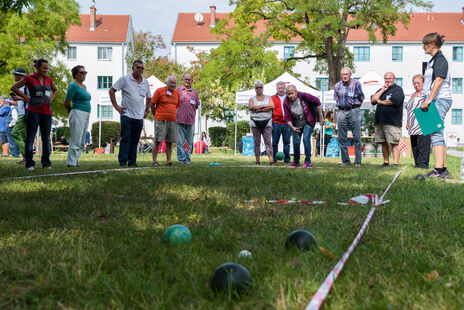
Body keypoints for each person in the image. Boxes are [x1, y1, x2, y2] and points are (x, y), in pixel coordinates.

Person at [11, 59, 58, 171]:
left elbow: (55, 90)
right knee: (30, 138)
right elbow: (14, 88)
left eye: (47, 68)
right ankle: (30, 163)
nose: (45, 70)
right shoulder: (29, 78)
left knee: (46, 138)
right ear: (37, 67)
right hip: (33, 111)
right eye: (43, 68)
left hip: (46, 112)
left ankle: (46, 162)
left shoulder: (48, 79)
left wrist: (50, 99)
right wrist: (26, 98)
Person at [421, 32, 453, 178]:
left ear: (432, 45)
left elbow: (439, 80)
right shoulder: (432, 61)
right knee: (434, 132)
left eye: (425, 44)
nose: (423, 47)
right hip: (434, 100)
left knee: (436, 133)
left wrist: (429, 100)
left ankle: (438, 170)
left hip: (439, 99)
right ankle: (443, 169)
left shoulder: (440, 59)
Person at [109, 60, 151, 167]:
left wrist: (147, 110)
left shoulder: (145, 82)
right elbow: (111, 91)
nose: (140, 70)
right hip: (126, 115)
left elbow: (149, 97)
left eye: (142, 68)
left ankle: (132, 161)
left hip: (139, 116)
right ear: (132, 68)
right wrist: (116, 107)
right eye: (138, 67)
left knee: (135, 140)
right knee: (125, 139)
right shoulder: (125, 79)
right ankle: (122, 161)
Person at [283, 84, 323, 167]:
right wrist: (292, 127)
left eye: (292, 93)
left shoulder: (303, 96)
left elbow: (317, 101)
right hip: (296, 123)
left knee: (305, 139)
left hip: (309, 120)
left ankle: (308, 161)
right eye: (289, 94)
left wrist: (320, 116)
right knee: (296, 142)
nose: (291, 96)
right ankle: (296, 161)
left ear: (296, 92)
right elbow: (287, 117)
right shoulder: (286, 102)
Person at [371, 72, 405, 168]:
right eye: (386, 78)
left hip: (392, 122)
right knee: (383, 142)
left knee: (394, 143)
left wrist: (380, 101)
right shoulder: (382, 90)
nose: (388, 80)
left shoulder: (398, 90)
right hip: (380, 121)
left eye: (390, 78)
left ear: (394, 79)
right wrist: (382, 90)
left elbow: (392, 101)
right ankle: (386, 162)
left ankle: (395, 163)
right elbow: (373, 100)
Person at [333, 67, 365, 166]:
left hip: (354, 110)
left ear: (350, 75)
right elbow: (336, 100)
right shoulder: (337, 85)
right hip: (341, 111)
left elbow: (362, 98)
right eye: (343, 74)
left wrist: (356, 108)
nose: (345, 76)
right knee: (342, 137)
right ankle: (346, 161)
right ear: (341, 75)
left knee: (356, 136)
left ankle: (357, 161)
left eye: (347, 74)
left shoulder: (356, 83)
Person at [63, 65, 91, 167]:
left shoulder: (84, 87)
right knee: (76, 138)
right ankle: (71, 163)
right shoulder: (73, 86)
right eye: (81, 73)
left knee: (81, 139)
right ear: (75, 75)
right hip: (77, 113)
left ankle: (76, 161)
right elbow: (66, 102)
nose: (84, 75)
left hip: (86, 113)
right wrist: (70, 111)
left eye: (85, 73)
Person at [151, 75, 180, 166]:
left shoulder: (177, 94)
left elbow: (177, 106)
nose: (173, 84)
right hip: (161, 120)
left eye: (174, 83)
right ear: (166, 83)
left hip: (172, 120)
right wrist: (155, 114)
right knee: (157, 140)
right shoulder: (159, 91)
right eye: (171, 82)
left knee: (169, 141)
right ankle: (154, 161)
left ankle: (169, 161)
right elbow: (152, 104)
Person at [404, 74, 431, 169]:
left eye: (418, 83)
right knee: (414, 145)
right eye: (414, 83)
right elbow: (409, 108)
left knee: (423, 144)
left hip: (423, 122)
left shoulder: (426, 94)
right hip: (412, 124)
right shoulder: (412, 95)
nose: (416, 85)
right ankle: (417, 163)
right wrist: (407, 121)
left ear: (423, 83)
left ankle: (423, 164)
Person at [248, 80, 275, 165]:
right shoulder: (251, 99)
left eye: (260, 87)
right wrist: (265, 106)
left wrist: (258, 109)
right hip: (255, 122)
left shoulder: (268, 98)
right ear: (255, 89)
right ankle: (257, 161)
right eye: (257, 87)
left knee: (268, 142)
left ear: (263, 88)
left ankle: (271, 161)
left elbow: (272, 106)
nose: (259, 89)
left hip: (267, 122)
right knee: (257, 142)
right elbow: (251, 107)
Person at [176, 73, 200, 164]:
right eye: (185, 79)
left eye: (189, 80)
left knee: (189, 142)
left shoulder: (194, 92)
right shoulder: (177, 90)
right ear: (182, 80)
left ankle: (188, 159)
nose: (187, 81)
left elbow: (197, 105)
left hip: (191, 121)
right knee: (180, 142)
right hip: (179, 120)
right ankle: (181, 159)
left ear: (192, 81)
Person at [10, 68, 28, 164]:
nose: (14, 76)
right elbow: (23, 101)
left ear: (20, 76)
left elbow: (30, 99)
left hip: (25, 113)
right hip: (22, 112)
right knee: (24, 136)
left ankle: (26, 155)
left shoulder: (26, 86)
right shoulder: (21, 87)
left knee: (15, 133)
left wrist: (19, 98)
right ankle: (26, 157)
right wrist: (16, 103)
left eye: (15, 75)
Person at [271, 81, 291, 163]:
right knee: (274, 142)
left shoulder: (289, 97)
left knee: (287, 142)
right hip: (276, 122)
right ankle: (274, 159)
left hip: (287, 123)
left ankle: (287, 159)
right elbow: (270, 111)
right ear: (277, 89)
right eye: (279, 88)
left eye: (282, 88)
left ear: (285, 88)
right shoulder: (272, 98)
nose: (281, 90)